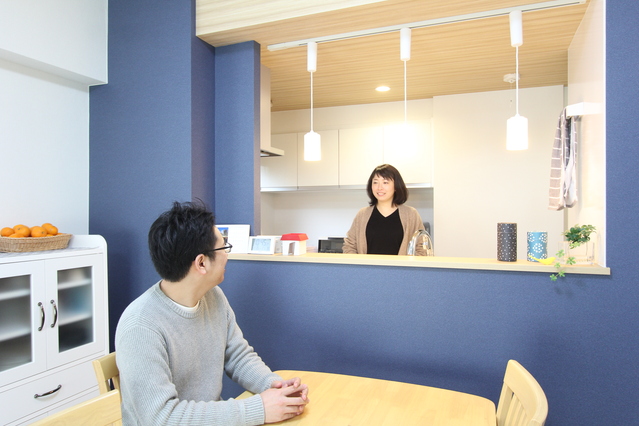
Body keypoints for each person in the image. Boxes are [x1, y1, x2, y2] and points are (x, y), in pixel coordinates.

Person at [115, 200, 309, 425]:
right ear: (201, 263)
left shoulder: (213, 296)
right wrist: (259, 409)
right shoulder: (140, 326)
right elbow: (162, 417)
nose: (227, 255)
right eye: (223, 247)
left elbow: (238, 356)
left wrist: (274, 386)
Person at [343, 164, 425, 255]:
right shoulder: (362, 214)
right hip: (368, 265)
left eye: (385, 182)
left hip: (400, 265)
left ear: (396, 186)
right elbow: (349, 246)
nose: (379, 187)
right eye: (375, 182)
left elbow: (422, 248)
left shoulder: (411, 214)